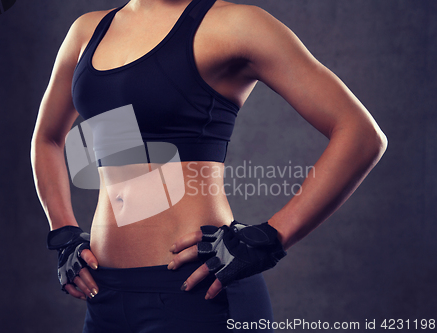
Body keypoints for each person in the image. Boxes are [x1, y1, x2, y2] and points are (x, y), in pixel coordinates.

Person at [31, 0, 387, 332]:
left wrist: (270, 237)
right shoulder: (88, 31)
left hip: (197, 289)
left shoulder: (235, 25)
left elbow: (361, 134)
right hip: (105, 295)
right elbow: (47, 138)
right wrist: (63, 232)